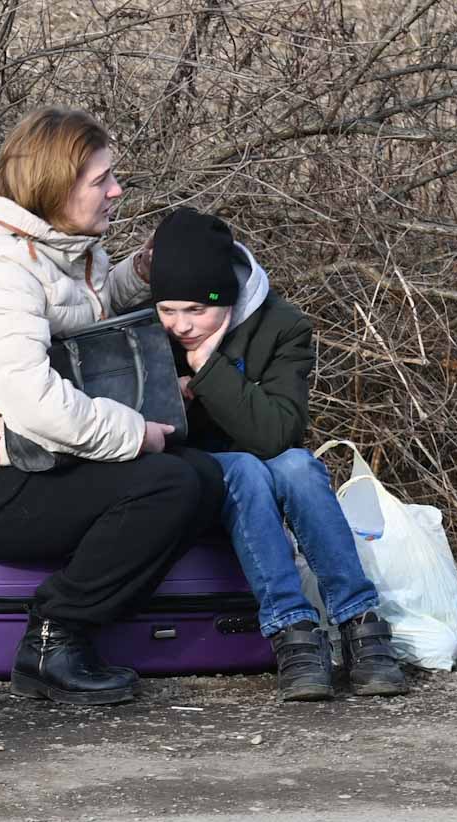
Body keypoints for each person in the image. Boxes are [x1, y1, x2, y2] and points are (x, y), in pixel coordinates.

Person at [0, 108, 224, 706]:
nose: (116, 190)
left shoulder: (59, 246)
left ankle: (84, 621)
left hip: (30, 463)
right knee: (166, 485)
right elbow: (32, 403)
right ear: (56, 185)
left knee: (201, 476)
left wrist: (140, 273)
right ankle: (54, 638)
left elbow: (81, 317)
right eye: (101, 179)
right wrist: (136, 435)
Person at [150, 207, 409, 700]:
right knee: (247, 469)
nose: (180, 326)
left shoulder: (283, 326)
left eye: (196, 311)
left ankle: (360, 625)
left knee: (299, 465)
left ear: (226, 296)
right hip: (191, 473)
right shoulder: (144, 330)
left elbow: (277, 434)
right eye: (169, 309)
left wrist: (208, 371)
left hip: (267, 460)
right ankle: (293, 633)